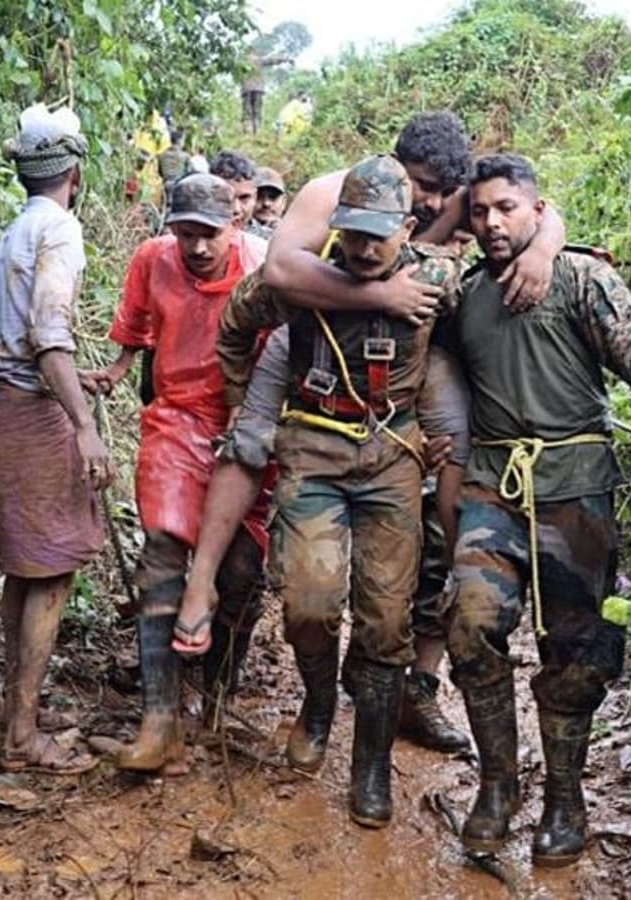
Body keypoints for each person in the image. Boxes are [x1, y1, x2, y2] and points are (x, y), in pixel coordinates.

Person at [174, 111, 571, 755]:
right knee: (251, 453)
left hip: (414, 358)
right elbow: (273, 284)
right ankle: (238, 616)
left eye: (444, 193)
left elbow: (531, 213)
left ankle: (412, 681)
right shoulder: (333, 194)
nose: (434, 201)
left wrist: (548, 247)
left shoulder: (457, 211)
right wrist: (248, 394)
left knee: (441, 494)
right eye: (421, 185)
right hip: (314, 340)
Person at [443, 154, 631, 867]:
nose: (493, 222)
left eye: (507, 208)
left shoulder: (584, 278)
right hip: (495, 486)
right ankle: (497, 785)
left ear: (537, 208)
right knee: (469, 623)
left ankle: (564, 797)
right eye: (480, 211)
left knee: (581, 654)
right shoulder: (462, 294)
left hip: (577, 489)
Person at [217, 155, 464, 828]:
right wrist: (246, 410)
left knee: (387, 620)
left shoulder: (438, 276)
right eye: (350, 231)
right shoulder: (305, 275)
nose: (360, 248)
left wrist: (452, 425)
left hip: (394, 460)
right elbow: (235, 326)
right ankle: (319, 703)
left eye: (375, 236)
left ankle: (371, 767)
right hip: (314, 451)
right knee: (308, 603)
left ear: (408, 227)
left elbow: (480, 337)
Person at [84, 174, 270, 772]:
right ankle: (159, 720)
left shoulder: (262, 267)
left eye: (207, 235)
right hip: (176, 416)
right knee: (162, 551)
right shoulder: (152, 259)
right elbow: (136, 322)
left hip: (247, 419)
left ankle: (215, 706)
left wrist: (260, 424)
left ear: (233, 226)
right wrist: (117, 370)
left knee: (241, 567)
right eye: (184, 233)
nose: (195, 247)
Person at [0, 104, 115, 772]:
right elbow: (48, 334)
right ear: (75, 172)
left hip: (6, 404)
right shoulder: (59, 229)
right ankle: (22, 738)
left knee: (25, 568)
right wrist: (86, 428)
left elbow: (30, 342)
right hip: (33, 416)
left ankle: (19, 712)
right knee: (52, 571)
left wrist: (73, 380)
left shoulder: (18, 228)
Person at [209, 150, 263, 237]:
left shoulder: (271, 243)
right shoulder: (195, 239)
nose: (236, 209)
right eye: (226, 197)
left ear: (255, 197)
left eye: (244, 198)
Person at [242, 48, 292, 134]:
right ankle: (257, 132)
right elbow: (272, 60)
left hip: (246, 89)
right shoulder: (259, 60)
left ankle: (248, 132)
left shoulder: (242, 62)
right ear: (254, 52)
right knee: (257, 111)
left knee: (248, 112)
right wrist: (286, 59)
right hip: (258, 88)